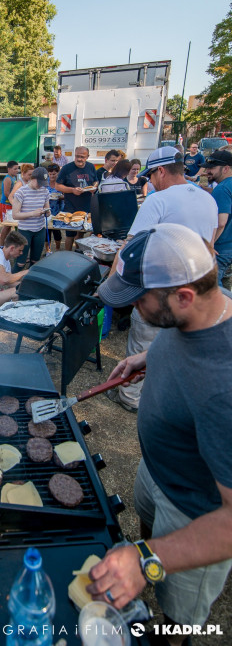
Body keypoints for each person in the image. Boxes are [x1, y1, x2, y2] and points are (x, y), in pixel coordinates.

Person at [89, 224, 232, 646]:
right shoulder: (208, 307)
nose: (132, 305)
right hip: (159, 471)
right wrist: (148, 355)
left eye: (139, 298)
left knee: (176, 617)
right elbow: (187, 341)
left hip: (196, 513)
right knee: (148, 536)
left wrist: (148, 558)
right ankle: (150, 570)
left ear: (183, 296)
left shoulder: (223, 390)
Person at [107, 146, 218, 413]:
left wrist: (109, 283)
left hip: (158, 289)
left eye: (151, 176)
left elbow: (130, 247)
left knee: (143, 339)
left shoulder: (158, 200)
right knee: (175, 344)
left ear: (161, 171)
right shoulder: (207, 198)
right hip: (195, 288)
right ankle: (160, 392)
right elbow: (210, 244)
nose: (150, 182)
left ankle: (131, 397)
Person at [56, 146, 98, 250]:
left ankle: (78, 253)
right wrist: (72, 190)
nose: (79, 159)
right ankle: (67, 255)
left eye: (82, 157)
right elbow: (58, 186)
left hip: (87, 206)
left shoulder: (91, 167)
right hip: (71, 208)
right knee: (70, 235)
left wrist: (94, 187)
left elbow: (96, 180)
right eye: (77, 156)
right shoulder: (66, 168)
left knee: (81, 234)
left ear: (87, 157)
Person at [12, 167, 50, 270]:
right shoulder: (21, 192)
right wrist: (33, 213)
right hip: (25, 231)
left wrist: (47, 212)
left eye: (43, 183)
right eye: (39, 183)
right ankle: (13, 282)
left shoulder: (45, 191)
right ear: (33, 178)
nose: (41, 186)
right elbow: (15, 215)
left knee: (35, 261)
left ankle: (30, 281)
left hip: (40, 230)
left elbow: (47, 208)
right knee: (20, 262)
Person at [205, 149, 232, 284]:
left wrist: (210, 245)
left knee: (213, 289)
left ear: (226, 168)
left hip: (221, 249)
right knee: (226, 286)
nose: (207, 171)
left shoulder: (222, 189)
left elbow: (221, 222)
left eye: (212, 168)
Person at [0, 160, 20, 246]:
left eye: (17, 169)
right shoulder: (7, 178)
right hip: (6, 204)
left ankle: (7, 243)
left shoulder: (14, 178)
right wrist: (14, 202)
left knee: (11, 225)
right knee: (7, 226)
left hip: (11, 204)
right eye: (15, 169)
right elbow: (7, 193)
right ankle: (1, 244)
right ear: (9, 169)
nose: (17, 171)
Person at [45, 164, 63, 253]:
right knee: (47, 232)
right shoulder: (45, 183)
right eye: (50, 174)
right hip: (47, 210)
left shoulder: (60, 183)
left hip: (57, 210)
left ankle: (57, 249)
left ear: (58, 173)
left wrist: (60, 197)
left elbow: (65, 195)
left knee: (57, 232)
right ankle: (48, 251)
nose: (52, 176)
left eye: (54, 174)